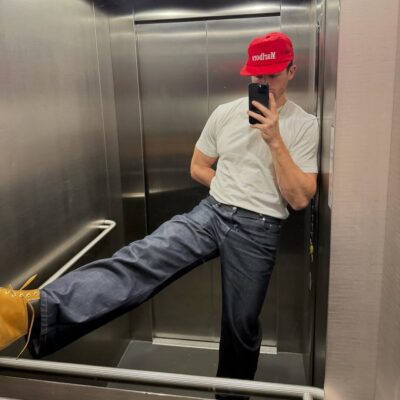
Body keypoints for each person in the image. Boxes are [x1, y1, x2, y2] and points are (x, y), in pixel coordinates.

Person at [0, 31, 318, 388]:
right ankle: (26, 313)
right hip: (213, 212)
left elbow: (299, 198)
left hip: (259, 227)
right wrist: (230, 188)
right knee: (140, 258)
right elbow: (198, 166)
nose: (263, 83)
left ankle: (231, 395)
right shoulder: (225, 113)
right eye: (257, 75)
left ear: (291, 71)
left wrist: (274, 139)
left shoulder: (304, 125)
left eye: (272, 75)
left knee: (241, 324)